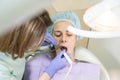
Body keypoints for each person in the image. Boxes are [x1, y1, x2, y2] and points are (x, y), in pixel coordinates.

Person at [23, 10, 101, 80]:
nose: (63, 39)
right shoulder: (35, 64)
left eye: (69, 34)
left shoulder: (89, 71)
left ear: (76, 39)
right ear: (50, 37)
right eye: (57, 34)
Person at [0, 10, 53, 80]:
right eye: (40, 36)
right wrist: (48, 73)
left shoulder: (14, 45)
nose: (43, 39)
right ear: (24, 39)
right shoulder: (2, 69)